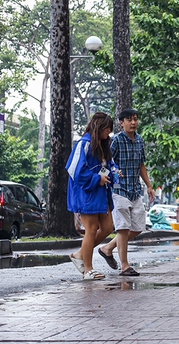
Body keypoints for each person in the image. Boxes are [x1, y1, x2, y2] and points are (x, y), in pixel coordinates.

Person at [98, 109, 156, 276]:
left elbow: (141, 165)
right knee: (123, 228)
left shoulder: (140, 141)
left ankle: (108, 248)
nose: (133, 123)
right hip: (119, 189)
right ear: (121, 123)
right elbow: (106, 161)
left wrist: (149, 185)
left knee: (138, 227)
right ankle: (125, 266)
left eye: (136, 119)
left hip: (135, 190)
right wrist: (103, 177)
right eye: (129, 120)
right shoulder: (115, 141)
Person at [66, 112, 117, 280]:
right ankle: (88, 269)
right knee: (91, 229)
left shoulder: (103, 145)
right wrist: (97, 179)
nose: (108, 133)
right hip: (87, 194)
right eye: (106, 130)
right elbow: (74, 171)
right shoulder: (84, 144)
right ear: (99, 128)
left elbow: (109, 165)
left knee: (108, 227)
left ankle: (81, 254)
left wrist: (114, 174)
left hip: (101, 193)